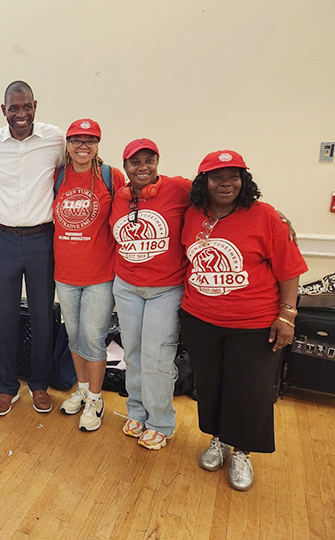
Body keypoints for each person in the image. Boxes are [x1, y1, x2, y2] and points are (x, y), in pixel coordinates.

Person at [179, 150, 307, 491]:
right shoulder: (192, 214)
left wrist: (287, 315)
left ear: (243, 181)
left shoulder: (265, 216)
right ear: (203, 182)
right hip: (201, 318)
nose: (226, 184)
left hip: (253, 323)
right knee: (210, 385)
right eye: (217, 177)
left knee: (249, 390)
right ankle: (219, 439)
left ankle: (242, 451)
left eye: (233, 177)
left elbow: (289, 269)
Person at [0, 80, 65, 416]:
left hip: (43, 239)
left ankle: (39, 385)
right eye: (14, 108)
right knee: (5, 318)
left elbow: (70, 173)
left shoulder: (55, 139)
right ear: (4, 110)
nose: (21, 114)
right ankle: (7, 387)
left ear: (35, 106)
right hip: (3, 241)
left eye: (27, 106)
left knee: (42, 316)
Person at [109, 139, 191, 450]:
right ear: (126, 167)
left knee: (158, 357)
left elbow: (219, 196)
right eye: (135, 162)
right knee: (133, 354)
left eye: (149, 161)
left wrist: (270, 213)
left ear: (157, 163)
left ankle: (160, 422)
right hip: (126, 287)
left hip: (165, 289)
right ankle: (137, 412)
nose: (143, 167)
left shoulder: (178, 188)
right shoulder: (120, 198)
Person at [53, 119, 126, 431]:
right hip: (65, 273)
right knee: (74, 336)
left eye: (90, 140)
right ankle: (82, 390)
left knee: (93, 338)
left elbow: (129, 214)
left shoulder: (111, 176)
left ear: (98, 144)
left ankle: (96, 399)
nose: (83, 146)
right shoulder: (58, 176)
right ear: (68, 145)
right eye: (76, 140)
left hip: (100, 275)